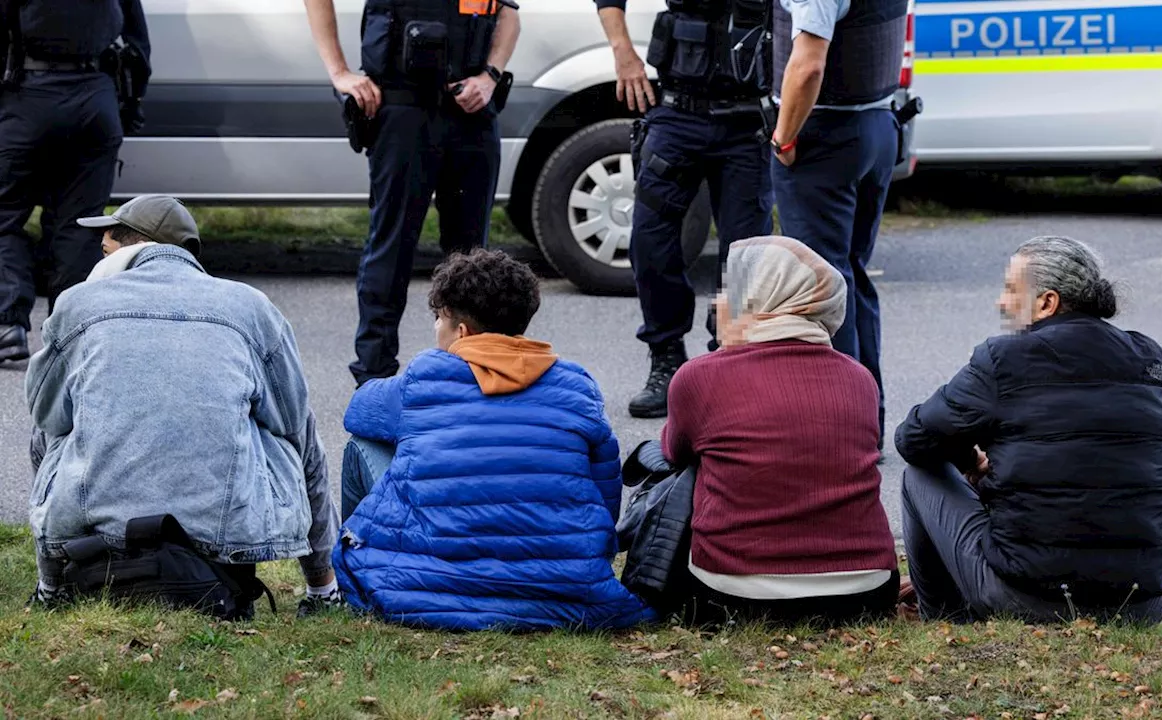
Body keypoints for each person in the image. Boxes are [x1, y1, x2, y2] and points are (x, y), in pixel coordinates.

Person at [26, 195, 342, 619]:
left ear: (129, 249)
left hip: (98, 529)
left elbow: (45, 411)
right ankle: (323, 588)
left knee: (49, 431)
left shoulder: (78, 302)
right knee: (299, 429)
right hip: (226, 537)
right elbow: (288, 416)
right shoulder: (249, 305)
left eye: (104, 249)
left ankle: (51, 587)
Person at [333, 248, 655, 631]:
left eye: (439, 319)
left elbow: (358, 412)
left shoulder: (426, 375)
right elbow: (605, 489)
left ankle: (365, 562)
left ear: (461, 331)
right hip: (562, 585)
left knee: (363, 445)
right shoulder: (576, 384)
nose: (436, 329)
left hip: (429, 585)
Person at [895, 236, 1162, 625]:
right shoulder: (1149, 357)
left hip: (1029, 597)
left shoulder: (1005, 358)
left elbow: (913, 439)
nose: (1001, 302)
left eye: (1011, 290)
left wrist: (967, 459)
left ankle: (943, 617)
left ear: (1047, 302)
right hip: (1142, 605)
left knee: (920, 474)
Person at [658, 235, 899, 625]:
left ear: (757, 297)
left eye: (735, 289)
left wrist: (726, 350)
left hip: (737, 594)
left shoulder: (700, 377)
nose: (722, 301)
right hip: (864, 591)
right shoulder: (860, 379)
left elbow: (674, 453)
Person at [302, 0, 521, 388]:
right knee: (391, 250)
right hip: (402, 109)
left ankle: (475, 376)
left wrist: (490, 76)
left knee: (473, 260)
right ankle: (373, 379)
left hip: (470, 111)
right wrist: (338, 72)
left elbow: (508, 13)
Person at [593, 0, 776, 419]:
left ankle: (728, 363)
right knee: (650, 240)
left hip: (748, 121)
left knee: (746, 255)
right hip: (678, 114)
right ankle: (666, 360)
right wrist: (623, 54)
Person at [769, 0, 908, 441]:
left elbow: (808, 66)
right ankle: (867, 423)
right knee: (851, 275)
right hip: (878, 125)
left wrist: (783, 137)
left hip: (826, 136)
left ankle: (842, 434)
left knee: (822, 285)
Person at [0, 0, 151, 364]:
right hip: (95, 102)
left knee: (3, 215)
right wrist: (127, 107)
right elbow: (138, 45)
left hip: (26, 98)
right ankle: (70, 333)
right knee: (78, 222)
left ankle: (7, 326)